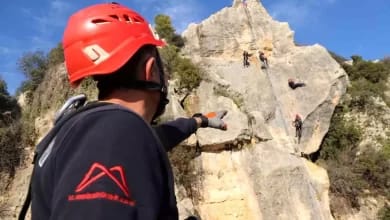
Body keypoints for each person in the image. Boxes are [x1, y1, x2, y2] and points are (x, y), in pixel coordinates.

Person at [25, 3, 228, 220]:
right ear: (150, 70)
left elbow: (158, 137)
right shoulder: (116, 131)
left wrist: (199, 121)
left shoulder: (93, 130)